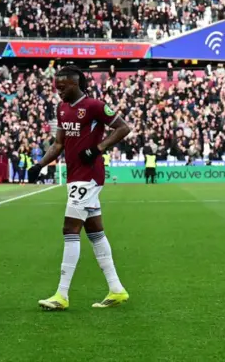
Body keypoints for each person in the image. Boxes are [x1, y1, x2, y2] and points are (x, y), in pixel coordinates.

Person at [31, 65, 133, 310]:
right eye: (57, 88)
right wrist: (40, 164)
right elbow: (58, 143)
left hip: (89, 175)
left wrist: (97, 148)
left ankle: (62, 294)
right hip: (74, 175)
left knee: (69, 229)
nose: (59, 92)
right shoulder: (62, 108)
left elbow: (123, 128)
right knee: (95, 231)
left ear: (75, 84)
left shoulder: (95, 106)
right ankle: (116, 289)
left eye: (62, 87)